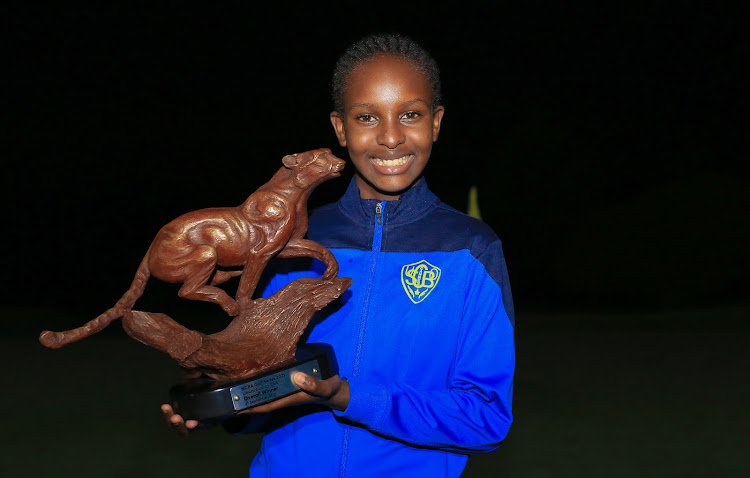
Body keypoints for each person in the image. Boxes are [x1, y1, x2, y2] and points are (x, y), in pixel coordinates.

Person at [162, 32, 515, 477]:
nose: (390, 137)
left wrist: (345, 396)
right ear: (340, 129)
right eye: (367, 117)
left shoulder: (471, 250)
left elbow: (486, 418)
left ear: (437, 122)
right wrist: (222, 400)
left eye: (410, 114)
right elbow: (274, 384)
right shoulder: (292, 241)